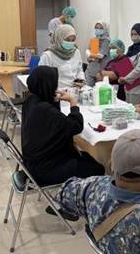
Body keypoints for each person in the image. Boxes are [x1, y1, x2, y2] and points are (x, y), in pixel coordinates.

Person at [21, 66, 104, 217]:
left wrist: (54, 99)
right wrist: (73, 102)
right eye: (54, 84)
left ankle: (68, 199)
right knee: (97, 168)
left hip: (33, 163)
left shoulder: (31, 101)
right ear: (47, 85)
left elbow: (56, 121)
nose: (56, 87)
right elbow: (75, 126)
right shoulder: (45, 110)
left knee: (87, 157)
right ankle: (68, 205)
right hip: (45, 170)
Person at [39, 24, 85, 88]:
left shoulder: (76, 52)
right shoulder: (48, 56)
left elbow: (79, 70)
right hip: (57, 91)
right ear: (59, 39)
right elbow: (42, 78)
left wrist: (80, 83)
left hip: (75, 89)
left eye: (73, 40)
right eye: (67, 40)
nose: (70, 43)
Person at [119, 23, 140, 105]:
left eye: (136, 34)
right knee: (129, 110)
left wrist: (125, 79)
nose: (133, 36)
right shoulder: (131, 49)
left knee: (137, 112)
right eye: (132, 34)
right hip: (129, 87)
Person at [85, 20, 111, 86]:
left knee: (99, 90)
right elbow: (91, 58)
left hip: (100, 73)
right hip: (91, 70)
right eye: (96, 28)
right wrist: (92, 57)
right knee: (88, 89)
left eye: (100, 28)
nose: (98, 30)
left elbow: (100, 56)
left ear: (105, 29)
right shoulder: (94, 40)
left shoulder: (106, 41)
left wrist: (90, 55)